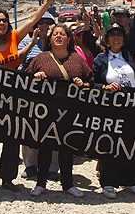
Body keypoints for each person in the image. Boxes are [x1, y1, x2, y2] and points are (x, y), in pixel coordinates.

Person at [0, 0, 55, 194]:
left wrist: (46, 5)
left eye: (4, 20)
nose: (1, 23)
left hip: (13, 97)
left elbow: (32, 21)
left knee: (12, 140)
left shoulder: (14, 38)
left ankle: (7, 179)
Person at [26, 23, 91, 198]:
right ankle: (41, 183)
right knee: (45, 148)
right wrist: (36, 77)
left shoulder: (76, 59)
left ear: (69, 39)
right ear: (50, 38)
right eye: (55, 34)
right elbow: (25, 80)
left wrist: (82, 84)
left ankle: (68, 184)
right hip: (46, 111)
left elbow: (90, 81)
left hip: (70, 112)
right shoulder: (41, 58)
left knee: (67, 148)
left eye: (63, 34)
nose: (59, 36)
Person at [93, 23, 135, 199]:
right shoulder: (100, 59)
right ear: (107, 40)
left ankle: (133, 181)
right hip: (110, 108)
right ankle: (108, 182)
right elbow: (92, 83)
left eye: (119, 35)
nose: (116, 37)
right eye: (112, 35)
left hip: (132, 106)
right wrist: (105, 87)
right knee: (110, 143)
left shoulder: (129, 56)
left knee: (132, 143)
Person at [18, 12, 55, 180]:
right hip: (31, 91)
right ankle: (30, 165)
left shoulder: (57, 42)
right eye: (41, 22)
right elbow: (19, 62)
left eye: (48, 23)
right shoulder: (25, 41)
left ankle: (52, 168)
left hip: (53, 93)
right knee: (29, 128)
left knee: (54, 128)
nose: (45, 26)